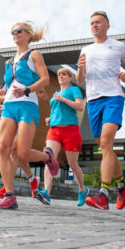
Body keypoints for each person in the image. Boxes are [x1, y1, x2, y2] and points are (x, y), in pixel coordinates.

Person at [0, 21, 59, 210]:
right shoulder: (9, 62)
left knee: (22, 153)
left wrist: (27, 90)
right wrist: (1, 99)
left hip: (27, 106)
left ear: (28, 34)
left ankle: (47, 157)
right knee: (3, 148)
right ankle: (10, 195)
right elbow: (2, 90)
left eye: (19, 31)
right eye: (12, 31)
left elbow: (45, 79)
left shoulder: (34, 54)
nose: (15, 34)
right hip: (9, 108)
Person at [77, 11, 125, 210]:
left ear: (107, 25)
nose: (94, 25)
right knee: (104, 147)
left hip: (113, 97)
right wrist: (80, 69)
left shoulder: (118, 46)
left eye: (98, 22)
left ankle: (103, 194)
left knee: (105, 142)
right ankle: (123, 184)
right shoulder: (85, 49)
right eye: (92, 22)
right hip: (93, 101)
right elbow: (79, 81)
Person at [34, 68, 89, 206]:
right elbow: (56, 111)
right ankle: (46, 192)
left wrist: (63, 99)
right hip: (54, 130)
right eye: (59, 75)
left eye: (64, 75)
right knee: (49, 158)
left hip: (70, 130)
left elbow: (80, 106)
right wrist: (50, 118)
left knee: (72, 164)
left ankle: (82, 190)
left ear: (70, 78)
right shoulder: (55, 94)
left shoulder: (74, 90)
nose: (61, 77)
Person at [0, 91, 42, 199]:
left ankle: (7, 188)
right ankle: (32, 179)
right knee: (17, 155)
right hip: (9, 115)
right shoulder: (8, 79)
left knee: (16, 150)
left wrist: (21, 94)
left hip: (24, 113)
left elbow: (42, 94)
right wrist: (5, 101)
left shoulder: (28, 76)